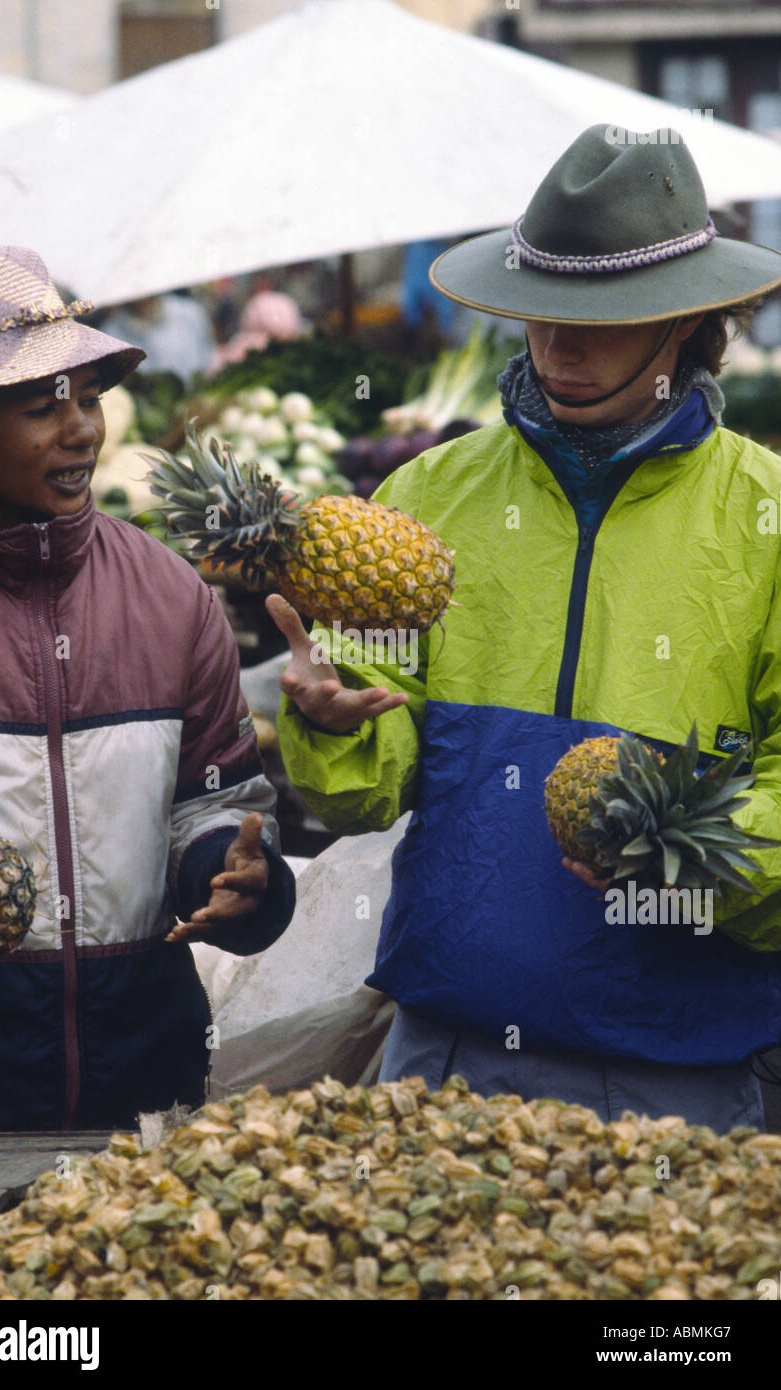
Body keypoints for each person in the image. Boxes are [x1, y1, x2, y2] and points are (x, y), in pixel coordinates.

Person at [270, 124, 781, 1131]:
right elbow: (367, 790)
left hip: (676, 1075)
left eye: (598, 319)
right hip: (441, 1058)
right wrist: (334, 725)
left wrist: (691, 845)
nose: (557, 348)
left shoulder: (762, 521)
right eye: (539, 314)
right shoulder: (427, 493)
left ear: (684, 322)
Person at [0, 246, 296, 1131]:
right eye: (41, 409)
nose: (82, 433)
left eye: (90, 400)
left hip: (146, 1083)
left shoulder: (169, 592)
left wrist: (232, 872)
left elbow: (213, 800)